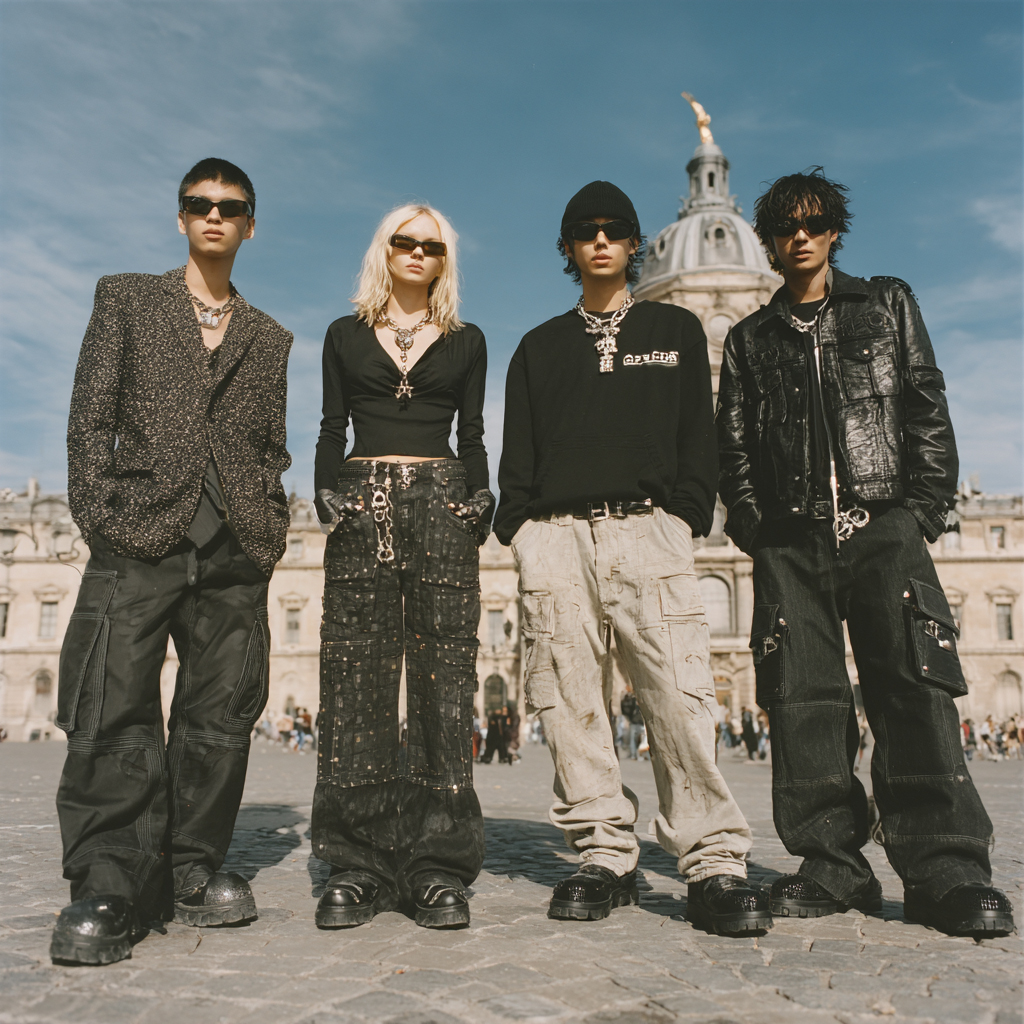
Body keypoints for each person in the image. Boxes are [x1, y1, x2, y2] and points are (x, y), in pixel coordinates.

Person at [717, 168, 1014, 937]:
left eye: (814, 223)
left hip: (883, 523)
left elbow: (925, 405)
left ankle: (945, 868)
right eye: (786, 227)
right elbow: (734, 449)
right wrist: (756, 530)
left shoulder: (886, 304)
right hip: (791, 537)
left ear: (834, 231)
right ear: (769, 242)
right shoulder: (749, 339)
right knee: (803, 701)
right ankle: (832, 865)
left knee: (914, 689)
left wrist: (920, 514)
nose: (801, 236)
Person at [494, 180, 770, 935]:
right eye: (586, 230)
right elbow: (517, 454)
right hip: (556, 537)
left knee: (680, 696)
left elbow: (698, 438)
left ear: (632, 243)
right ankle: (604, 851)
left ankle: (712, 858)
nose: (601, 240)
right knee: (568, 701)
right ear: (569, 246)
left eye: (615, 229)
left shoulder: (675, 328)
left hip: (649, 530)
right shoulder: (539, 347)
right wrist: (525, 533)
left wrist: (682, 520)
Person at [51, 159, 293, 966]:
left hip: (235, 548)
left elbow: (270, 447)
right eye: (199, 203)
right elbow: (90, 418)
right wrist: (102, 515)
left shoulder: (270, 338)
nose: (214, 215)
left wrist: (266, 533)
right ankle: (110, 877)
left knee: (219, 715)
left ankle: (192, 866)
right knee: (110, 699)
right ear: (181, 217)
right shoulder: (127, 299)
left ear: (250, 224)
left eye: (230, 206)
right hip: (138, 533)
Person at [311, 203, 492, 931]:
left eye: (432, 246)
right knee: (354, 680)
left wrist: (481, 495)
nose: (418, 253)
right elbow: (331, 426)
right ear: (383, 251)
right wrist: (326, 490)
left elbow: (473, 433)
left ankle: (437, 863)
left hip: (443, 499)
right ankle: (357, 862)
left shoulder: (467, 340)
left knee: (445, 683)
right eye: (405, 242)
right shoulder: (344, 334)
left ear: (446, 260)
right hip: (363, 499)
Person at [620, 687, 646, 761]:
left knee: (634, 740)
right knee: (642, 740)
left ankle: (634, 755)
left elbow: (626, 709)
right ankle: (639, 755)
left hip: (635, 722)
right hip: (639, 722)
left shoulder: (631, 699)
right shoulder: (641, 700)